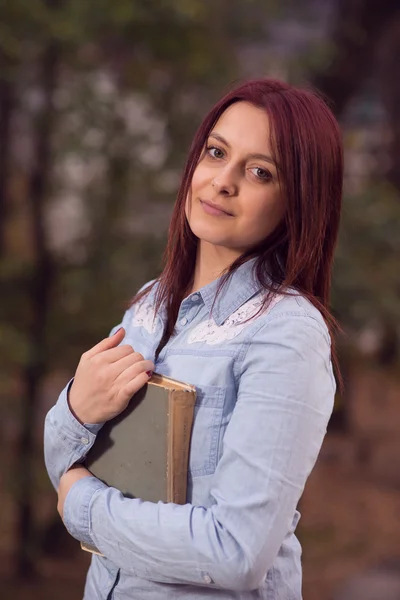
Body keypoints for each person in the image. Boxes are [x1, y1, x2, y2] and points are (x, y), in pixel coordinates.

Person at [44, 78, 343, 599]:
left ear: (298, 200)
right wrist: (76, 409)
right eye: (216, 152)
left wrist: (83, 507)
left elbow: (236, 552)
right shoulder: (148, 305)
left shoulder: (286, 334)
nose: (222, 181)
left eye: (259, 172)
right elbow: (60, 458)